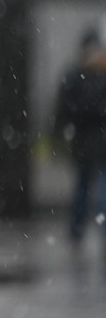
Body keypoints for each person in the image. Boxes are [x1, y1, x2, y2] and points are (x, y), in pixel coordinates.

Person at [54, 22, 106, 247]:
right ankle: (98, 231)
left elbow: (62, 109)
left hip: (83, 139)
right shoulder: (99, 75)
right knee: (99, 188)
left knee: (83, 187)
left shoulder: (74, 75)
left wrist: (60, 134)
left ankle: (76, 231)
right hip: (99, 139)